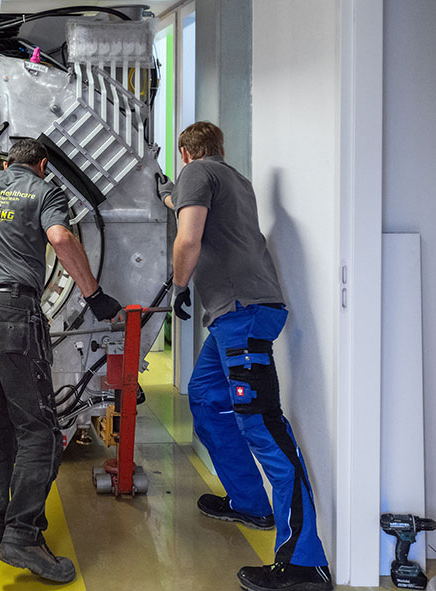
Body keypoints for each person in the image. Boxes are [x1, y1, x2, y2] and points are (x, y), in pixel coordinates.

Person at [159, 121, 332, 591]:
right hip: (237, 314)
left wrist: (176, 287)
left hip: (241, 314)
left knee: (263, 424)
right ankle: (250, 502)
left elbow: (188, 237)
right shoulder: (234, 178)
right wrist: (168, 192)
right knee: (204, 397)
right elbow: (185, 202)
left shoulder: (197, 174)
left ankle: (304, 562)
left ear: (185, 152)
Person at [0, 103, 122, 584]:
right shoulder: (46, 191)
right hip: (12, 312)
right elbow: (60, 238)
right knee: (39, 432)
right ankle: (22, 535)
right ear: (43, 164)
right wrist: (93, 294)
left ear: (10, 162)